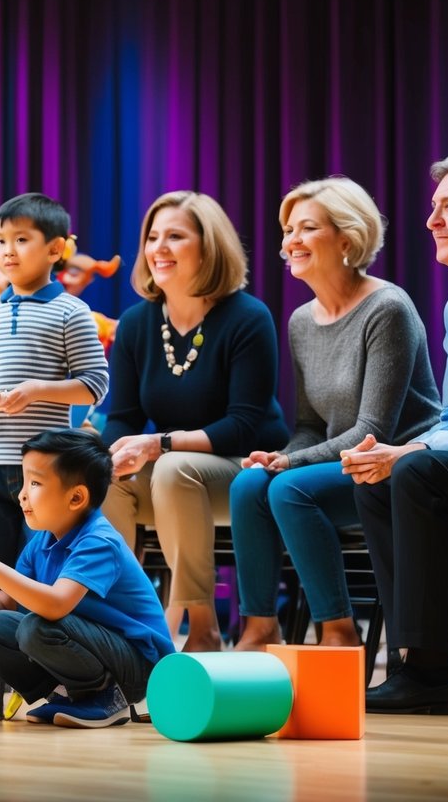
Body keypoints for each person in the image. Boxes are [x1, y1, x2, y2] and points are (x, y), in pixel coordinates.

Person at [229, 177, 441, 651]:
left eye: (306, 228)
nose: (290, 242)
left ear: (346, 239)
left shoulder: (388, 308)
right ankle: (259, 630)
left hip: (394, 466)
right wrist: (279, 454)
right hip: (336, 463)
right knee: (248, 484)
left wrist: (289, 464)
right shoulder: (302, 320)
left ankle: (339, 633)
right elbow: (308, 425)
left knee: (290, 488)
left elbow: (371, 432)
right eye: (287, 230)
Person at [101, 191, 288, 652]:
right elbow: (122, 417)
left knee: (170, 467)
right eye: (152, 237)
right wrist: (103, 457)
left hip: (244, 469)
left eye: (175, 237)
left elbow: (243, 425)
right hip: (172, 472)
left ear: (208, 247)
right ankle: (120, 623)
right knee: (102, 480)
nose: (158, 248)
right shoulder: (136, 324)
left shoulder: (248, 317)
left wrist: (160, 444)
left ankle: (200, 627)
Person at [0, 191, 110, 690]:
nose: (9, 250)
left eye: (22, 239)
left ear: (56, 249)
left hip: (46, 471)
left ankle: (39, 656)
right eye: (2, 240)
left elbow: (94, 382)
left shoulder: (72, 312)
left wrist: (40, 390)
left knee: (39, 568)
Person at [344, 154, 448, 714]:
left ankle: (425, 669)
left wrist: (416, 450)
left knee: (415, 468)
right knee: (377, 476)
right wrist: (399, 451)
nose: (431, 221)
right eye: (433, 207)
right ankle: (418, 665)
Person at [0, 429, 174, 727]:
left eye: (35, 483)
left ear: (77, 497)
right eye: (24, 481)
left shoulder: (99, 541)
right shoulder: (40, 542)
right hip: (93, 647)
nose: (22, 493)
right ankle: (66, 694)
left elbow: (55, 606)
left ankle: (106, 697)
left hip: (139, 665)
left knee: (37, 626)